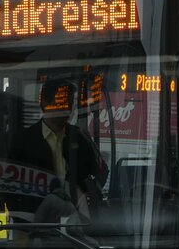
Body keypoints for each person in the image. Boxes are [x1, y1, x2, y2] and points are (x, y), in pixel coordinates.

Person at [9, 79, 106, 215]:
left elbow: (101, 172)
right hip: (35, 223)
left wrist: (85, 194)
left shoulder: (80, 138)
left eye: (71, 103)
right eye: (62, 102)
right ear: (44, 103)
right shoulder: (23, 141)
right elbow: (9, 188)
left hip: (77, 225)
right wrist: (24, 221)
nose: (67, 108)